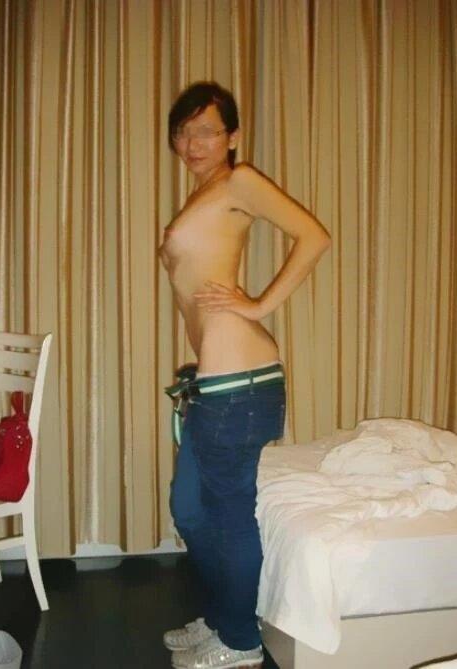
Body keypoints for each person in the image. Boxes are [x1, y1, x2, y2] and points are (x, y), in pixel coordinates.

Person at [159, 81, 330, 669]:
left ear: (232, 136)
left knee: (229, 516)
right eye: (183, 132)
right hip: (214, 385)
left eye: (206, 130)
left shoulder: (238, 181)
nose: (192, 142)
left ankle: (239, 642)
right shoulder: (204, 196)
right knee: (189, 510)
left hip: (241, 384)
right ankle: (225, 614)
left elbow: (314, 237)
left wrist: (258, 305)